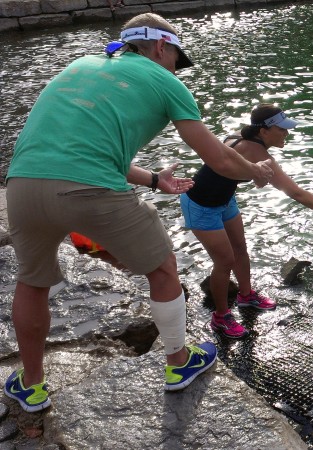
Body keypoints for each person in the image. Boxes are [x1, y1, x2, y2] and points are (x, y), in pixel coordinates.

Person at [3, 13, 274, 412]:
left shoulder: (79, 66)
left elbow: (77, 149)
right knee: (163, 268)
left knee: (32, 282)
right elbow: (219, 158)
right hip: (89, 188)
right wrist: (256, 171)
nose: (174, 68)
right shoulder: (167, 82)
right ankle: (179, 364)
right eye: (175, 58)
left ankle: (31, 385)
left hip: (22, 185)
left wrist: (152, 179)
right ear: (161, 46)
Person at [180, 104, 313, 338]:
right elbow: (296, 192)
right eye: (282, 129)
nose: (287, 134)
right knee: (225, 261)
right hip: (201, 205)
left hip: (225, 200)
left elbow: (233, 171)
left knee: (240, 248)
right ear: (263, 131)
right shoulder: (258, 154)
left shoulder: (240, 140)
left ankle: (246, 295)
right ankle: (221, 317)